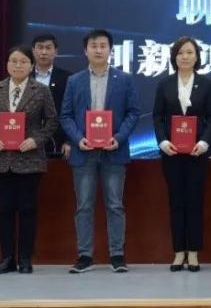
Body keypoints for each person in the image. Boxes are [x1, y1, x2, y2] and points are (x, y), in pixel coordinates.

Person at [60, 29, 141, 273]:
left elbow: (133, 112)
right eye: (93, 45)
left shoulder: (124, 79)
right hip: (83, 151)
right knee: (84, 206)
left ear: (110, 50)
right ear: (85, 50)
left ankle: (117, 255)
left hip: (113, 151)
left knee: (115, 205)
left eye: (103, 45)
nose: (98, 50)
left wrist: (118, 138)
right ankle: (85, 255)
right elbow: (65, 115)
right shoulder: (74, 81)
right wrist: (78, 139)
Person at [0, 45, 58, 275]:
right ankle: (6, 258)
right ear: (7, 64)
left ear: (31, 66)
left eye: (23, 61)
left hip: (29, 160)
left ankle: (25, 258)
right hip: (1, 160)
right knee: (4, 210)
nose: (18, 65)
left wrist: (36, 140)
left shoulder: (40, 90)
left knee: (27, 209)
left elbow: (52, 121)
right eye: (13, 61)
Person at [152, 36, 211, 272]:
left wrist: (204, 142)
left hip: (197, 153)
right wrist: (163, 141)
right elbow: (158, 117)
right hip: (172, 153)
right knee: (176, 202)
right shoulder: (165, 84)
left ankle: (194, 252)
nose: (185, 57)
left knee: (194, 202)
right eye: (180, 53)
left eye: (189, 52)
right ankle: (179, 251)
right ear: (174, 57)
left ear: (197, 56)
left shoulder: (207, 84)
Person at [31, 34, 71, 158]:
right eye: (40, 47)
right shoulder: (24, 77)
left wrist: (68, 141)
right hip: (28, 140)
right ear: (33, 51)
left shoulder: (67, 78)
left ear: (56, 51)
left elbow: (72, 112)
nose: (44, 52)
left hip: (58, 140)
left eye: (48, 48)